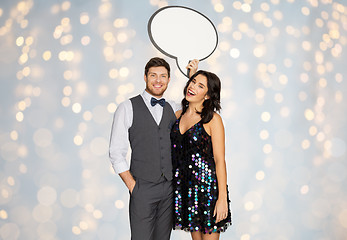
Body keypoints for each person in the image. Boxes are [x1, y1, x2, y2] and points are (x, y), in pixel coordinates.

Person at [108, 57, 198, 240]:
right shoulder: (127, 107)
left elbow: (196, 107)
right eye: (153, 75)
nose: (158, 80)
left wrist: (193, 76)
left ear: (169, 80)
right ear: (145, 77)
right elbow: (116, 153)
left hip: (169, 188)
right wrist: (133, 187)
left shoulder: (174, 108)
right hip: (142, 188)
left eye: (163, 76)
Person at [170, 70, 232, 240]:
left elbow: (220, 161)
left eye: (200, 86)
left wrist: (222, 199)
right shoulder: (177, 116)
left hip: (208, 193)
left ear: (207, 95)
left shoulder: (213, 120)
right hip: (186, 192)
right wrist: (190, 73)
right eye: (192, 82)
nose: (192, 86)